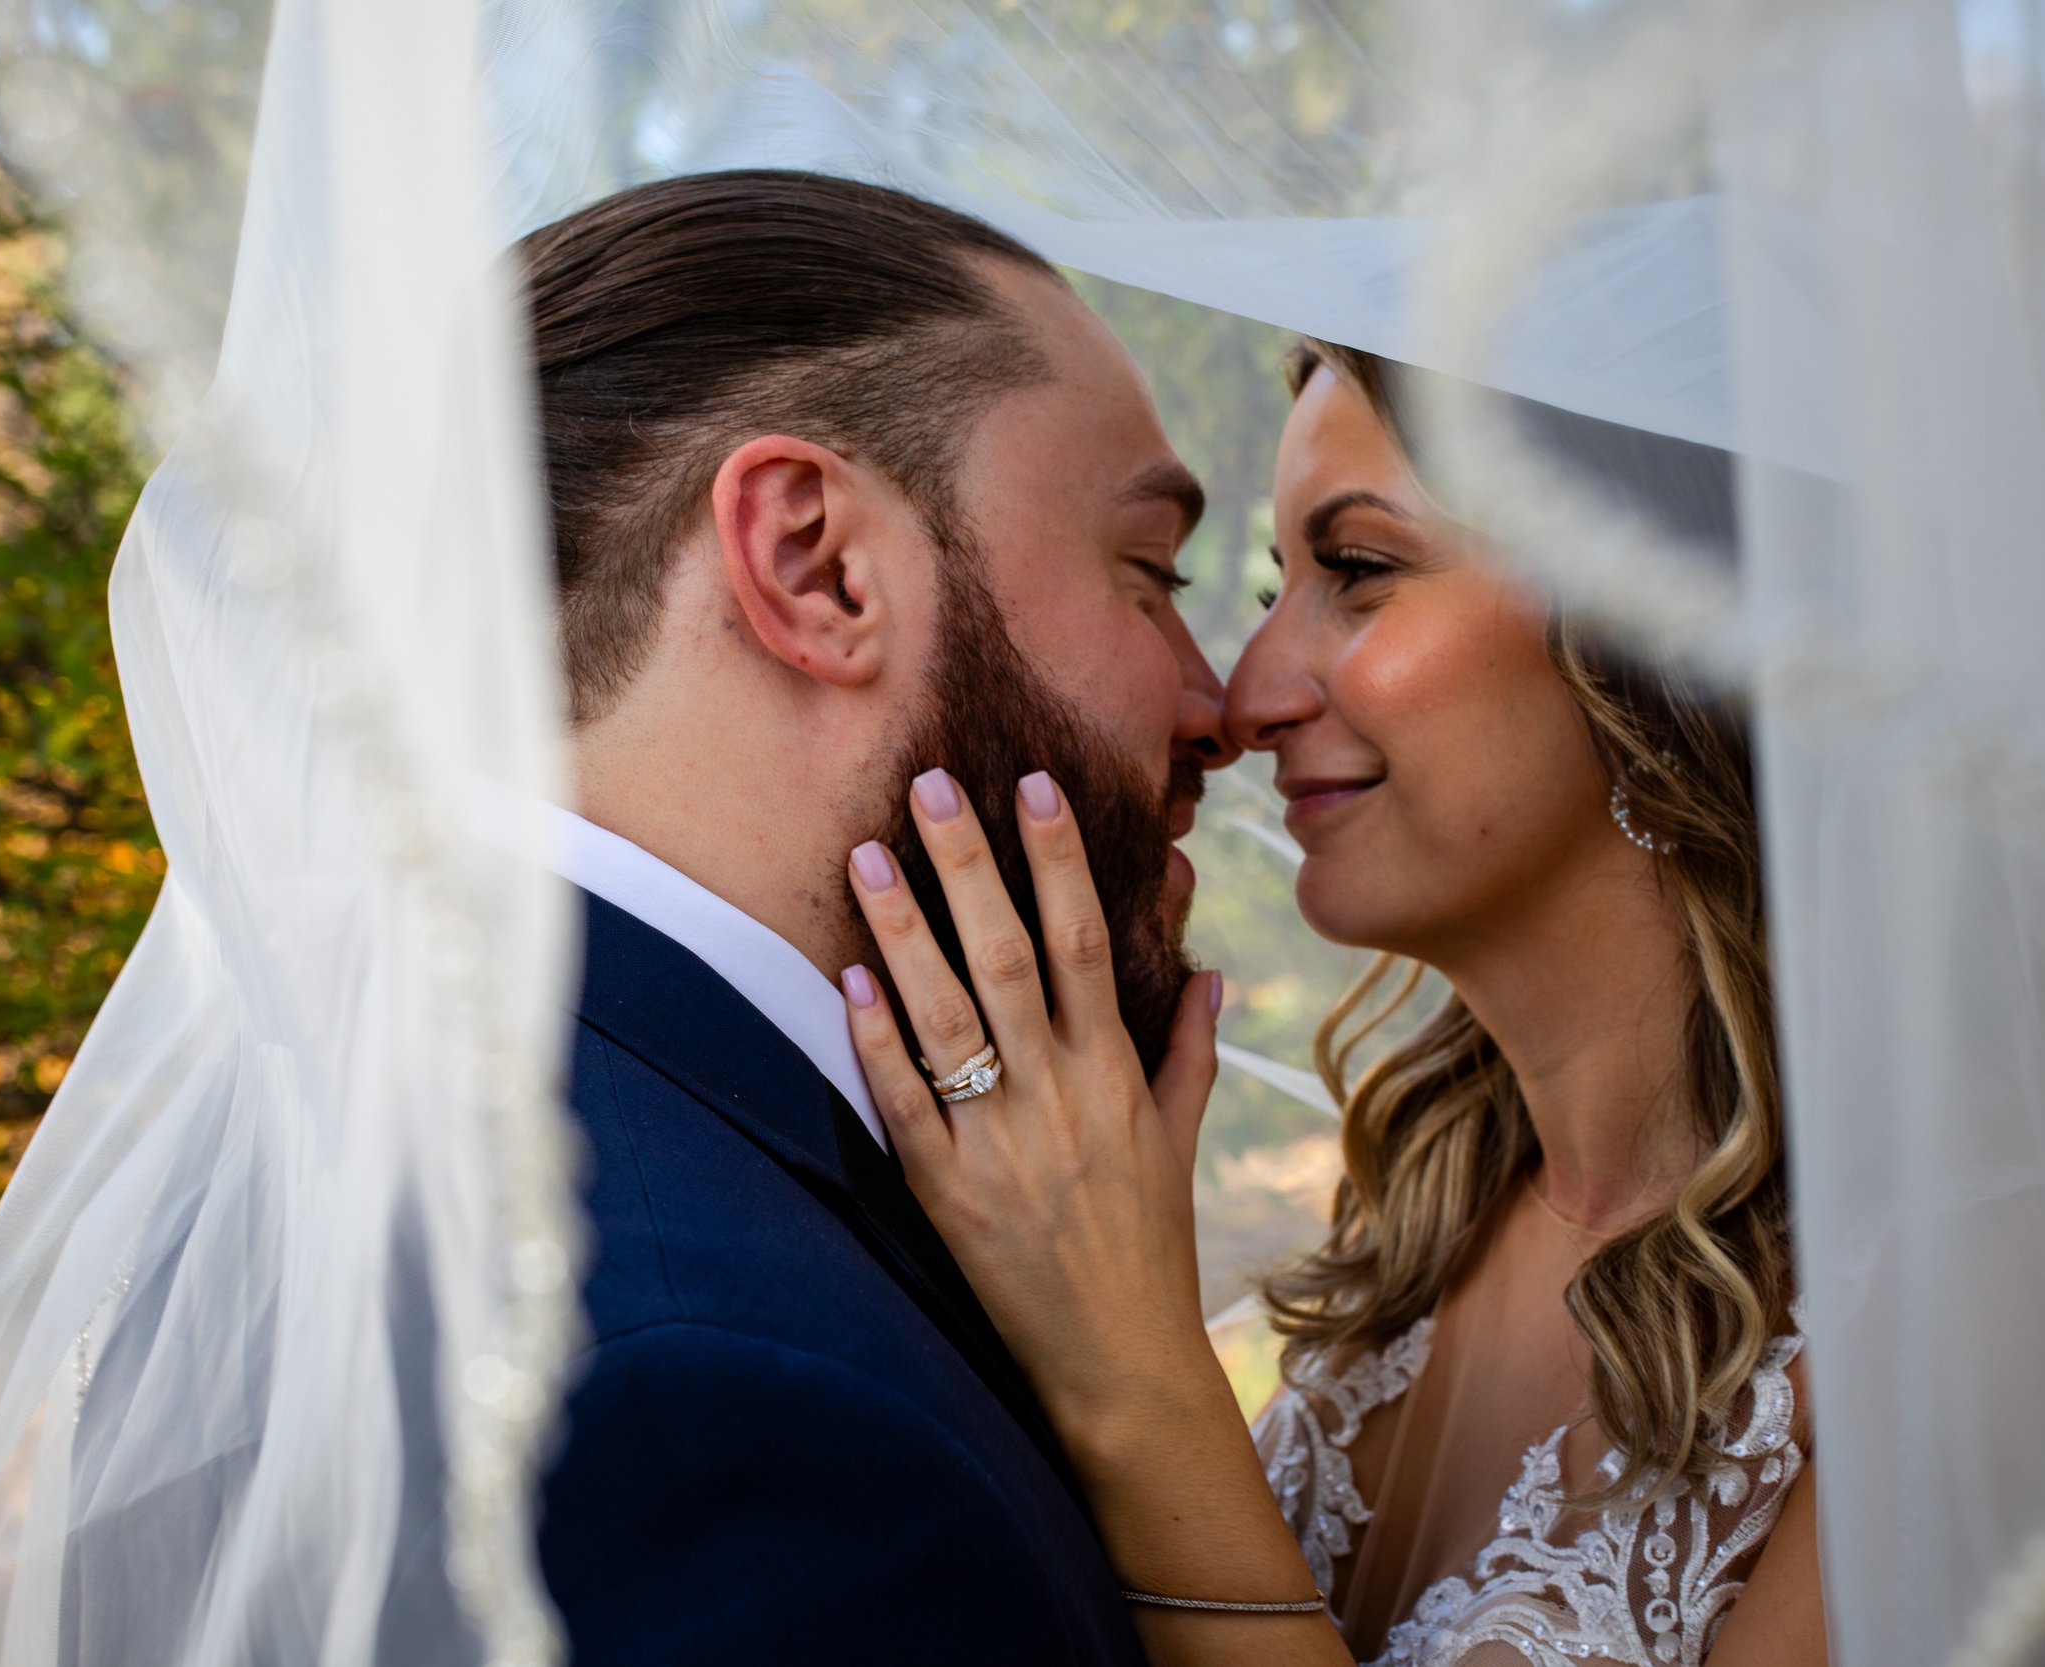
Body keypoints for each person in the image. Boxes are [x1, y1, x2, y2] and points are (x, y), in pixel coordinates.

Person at [839, 340, 1826, 1666]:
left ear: (1651, 626)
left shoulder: (1966, 1308)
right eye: (1269, 586)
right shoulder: (1418, 1225)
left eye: (1357, 571)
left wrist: (1132, 1370)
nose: (1248, 699)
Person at [515, 170, 1233, 1664]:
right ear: (819, 568)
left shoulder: (461, 1122)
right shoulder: (706, 1393)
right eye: (1149, 575)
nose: (1219, 707)